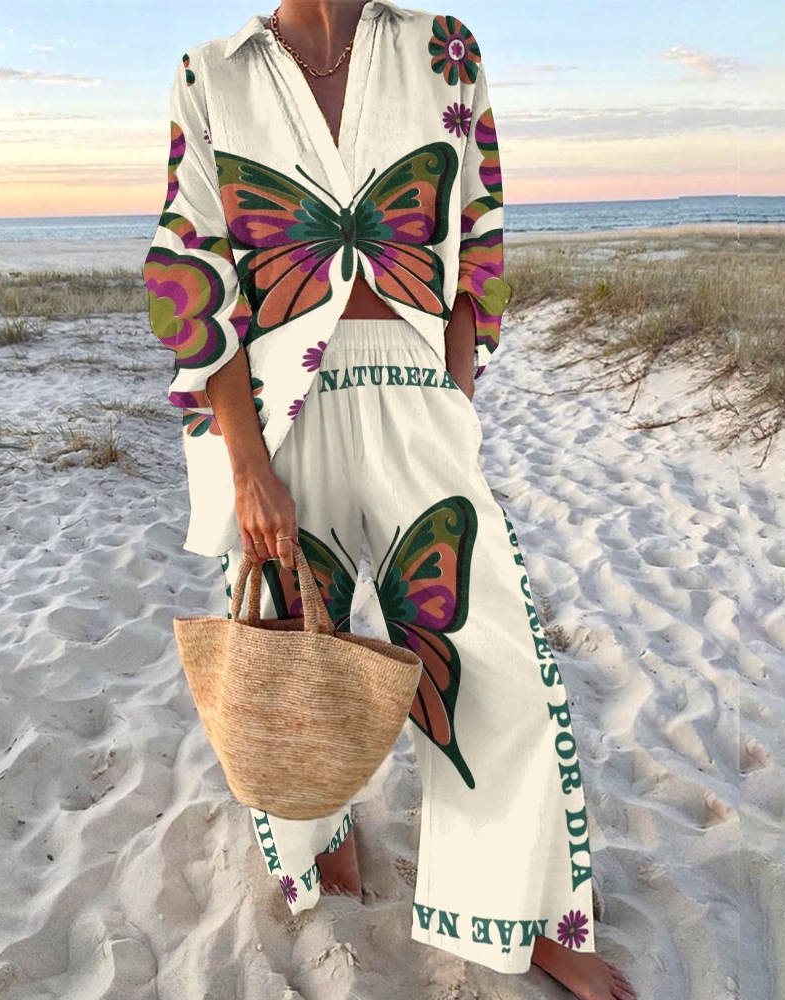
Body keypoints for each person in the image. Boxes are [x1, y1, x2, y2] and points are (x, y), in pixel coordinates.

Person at [143, 2, 636, 996]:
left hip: (417, 393)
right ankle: (318, 827)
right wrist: (248, 465)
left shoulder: (442, 50)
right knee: (291, 645)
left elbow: (477, 233)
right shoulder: (212, 73)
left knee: (492, 657)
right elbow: (194, 271)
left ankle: (522, 911)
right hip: (279, 412)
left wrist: (454, 397)